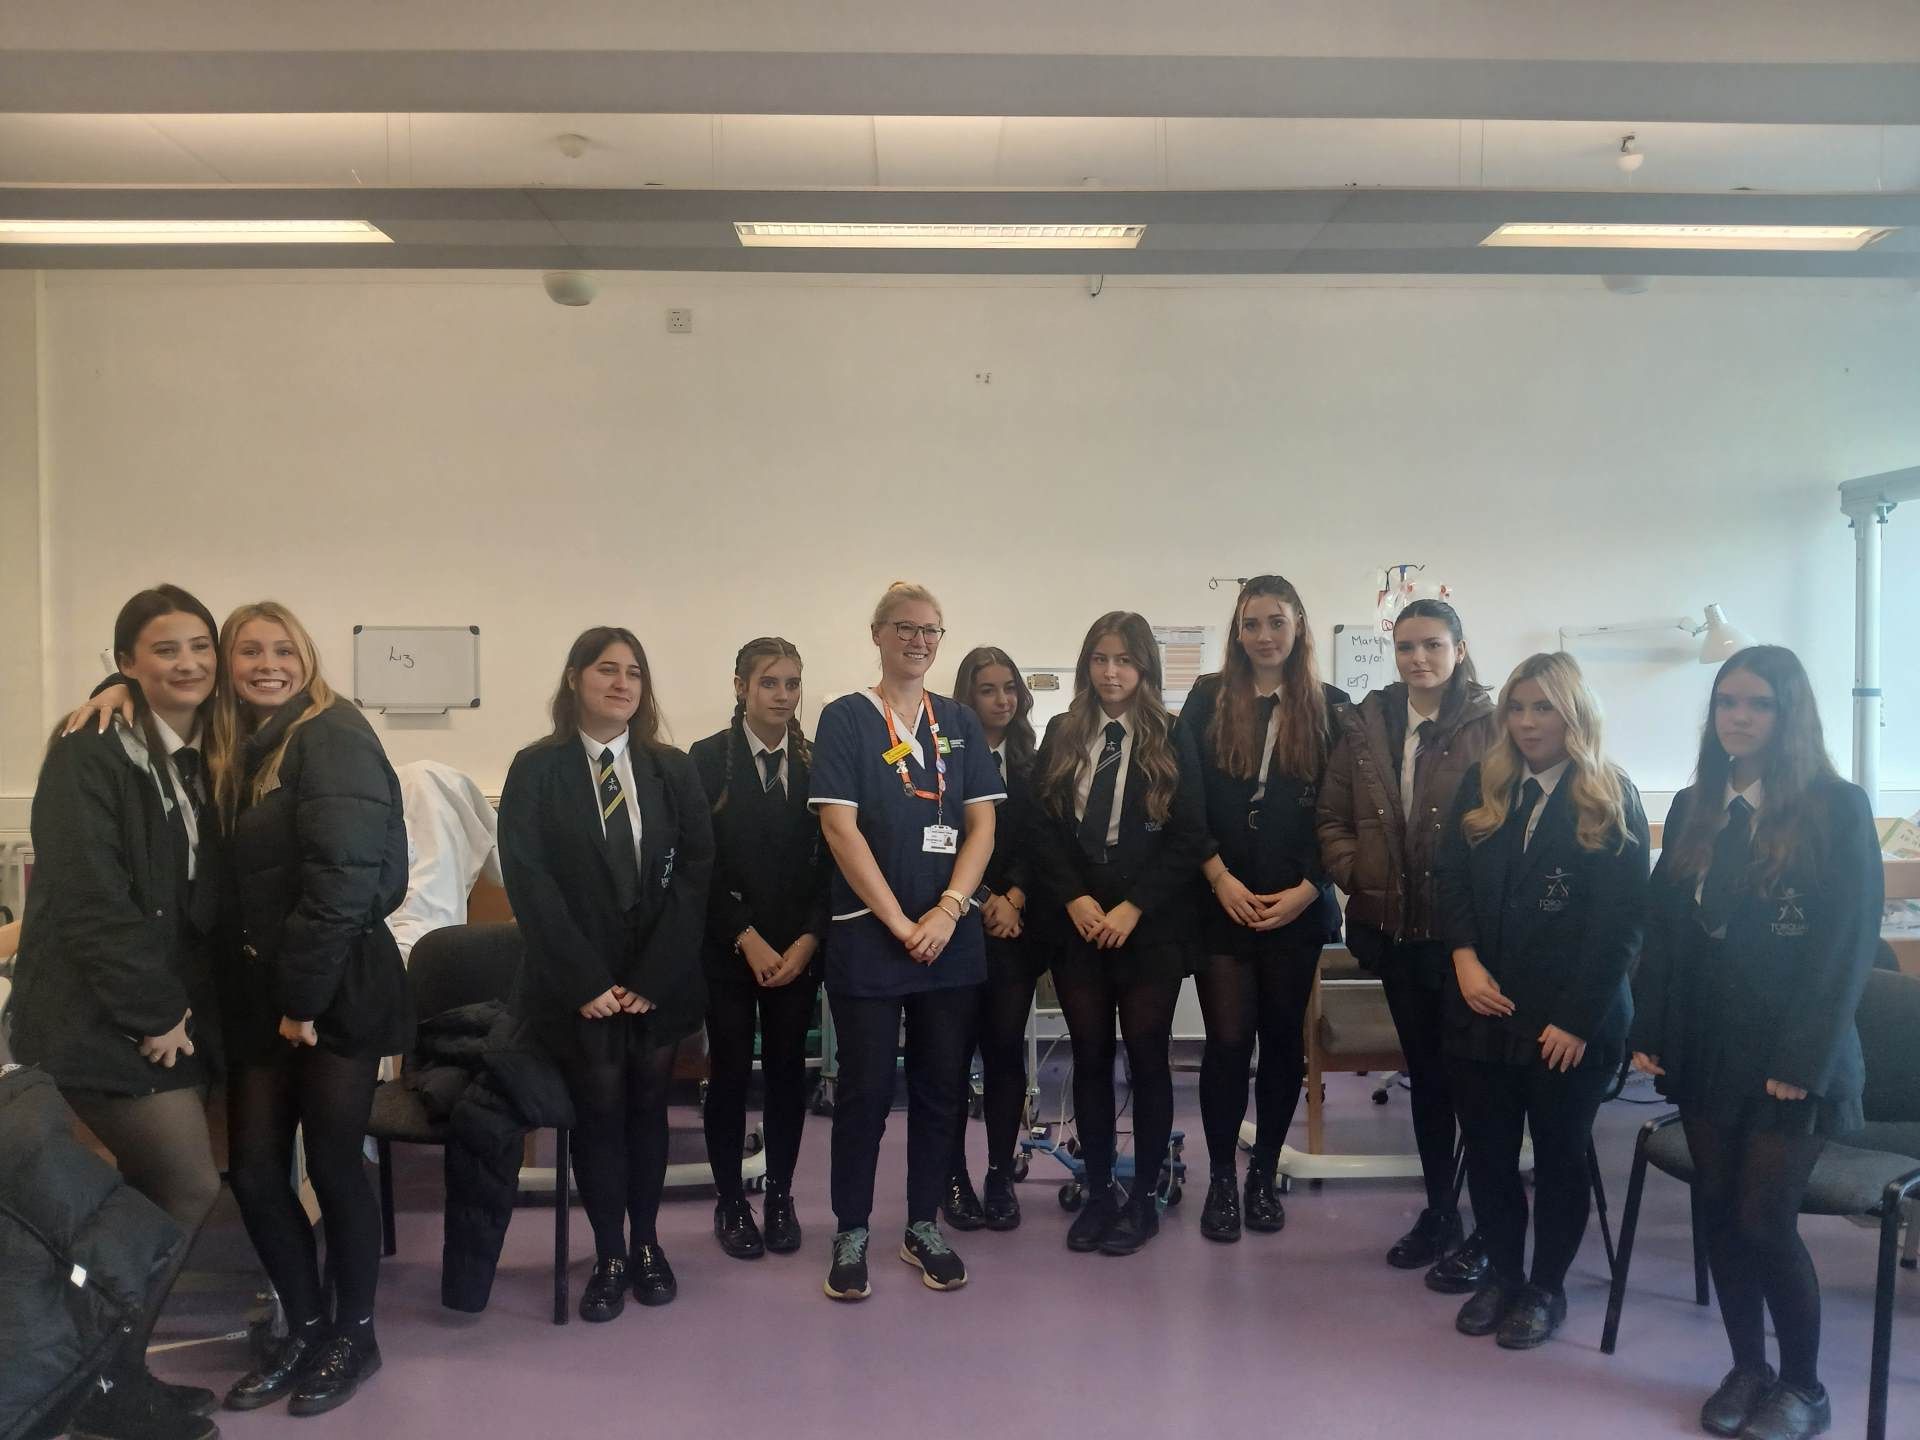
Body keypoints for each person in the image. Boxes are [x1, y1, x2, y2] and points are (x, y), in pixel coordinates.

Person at [1631, 646, 1880, 1440]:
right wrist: (1650, 1028)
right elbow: (1664, 933)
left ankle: (1804, 1386)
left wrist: (1801, 1062)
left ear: (1789, 714)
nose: (1738, 717)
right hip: (1706, 1049)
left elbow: (1845, 950)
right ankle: (1748, 1368)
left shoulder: (1836, 807)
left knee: (1764, 1221)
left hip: (1790, 1059)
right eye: (1727, 702)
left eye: (1759, 704)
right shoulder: (1698, 804)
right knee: (1717, 1212)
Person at [7, 585, 227, 1440]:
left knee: (147, 1194)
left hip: (158, 1010)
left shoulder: (192, 746)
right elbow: (92, 899)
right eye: (165, 649)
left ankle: (106, 1375)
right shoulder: (91, 749)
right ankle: (102, 1381)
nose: (189, 663)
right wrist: (154, 1013)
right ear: (127, 661)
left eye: (200, 645)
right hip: (101, 1014)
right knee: (186, 1183)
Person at [211, 602, 410, 1415]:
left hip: (334, 989)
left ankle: (354, 1336)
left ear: (307, 658)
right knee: (257, 1172)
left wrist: (301, 1000)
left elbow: (346, 881)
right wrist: (115, 690)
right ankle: (306, 1325)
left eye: (282, 649)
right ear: (226, 666)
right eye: (249, 650)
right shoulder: (237, 744)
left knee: (332, 1164)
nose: (268, 664)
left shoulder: (332, 733)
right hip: (264, 991)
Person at [499, 626, 714, 1322]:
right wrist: (584, 981)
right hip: (579, 983)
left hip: (657, 977)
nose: (622, 684)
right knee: (597, 1114)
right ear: (574, 679)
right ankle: (609, 1254)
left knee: (649, 1110)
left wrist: (653, 974)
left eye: (634, 673)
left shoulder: (671, 769)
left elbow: (697, 872)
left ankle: (647, 1244)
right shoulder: (536, 768)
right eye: (606, 670)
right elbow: (529, 881)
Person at [1436, 652, 1648, 1351]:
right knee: (1489, 1154)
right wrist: (1464, 958)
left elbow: (1622, 927)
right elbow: (1449, 880)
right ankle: (1502, 1274)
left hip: (1569, 1023)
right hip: (1483, 1009)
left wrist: (1577, 1020)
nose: (1527, 723)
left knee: (1560, 1157)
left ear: (1574, 713)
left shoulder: (1610, 794)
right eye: (1517, 708)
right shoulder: (1485, 782)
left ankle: (1545, 1288)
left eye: (1543, 708)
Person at [807, 581, 1002, 1301]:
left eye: (931, 630)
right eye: (905, 627)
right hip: (871, 938)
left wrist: (949, 910)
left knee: (941, 1087)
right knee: (863, 1091)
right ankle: (852, 1229)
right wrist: (897, 921)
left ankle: (923, 1224)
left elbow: (982, 825)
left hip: (949, 940)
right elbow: (839, 827)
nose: (918, 641)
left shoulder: (959, 721)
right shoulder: (846, 719)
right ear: (878, 634)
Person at [1317, 598, 1499, 1288]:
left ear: (1459, 649)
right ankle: (1440, 1212)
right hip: (1396, 935)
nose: (1418, 658)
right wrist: (1358, 872)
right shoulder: (1366, 724)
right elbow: (1332, 817)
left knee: (1475, 1086)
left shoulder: (1491, 726)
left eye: (1432, 645)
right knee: (1426, 1080)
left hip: (1466, 940)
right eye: (1406, 647)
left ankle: (1491, 1226)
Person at [1174, 575, 1346, 1241]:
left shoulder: (1332, 708)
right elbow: (1184, 800)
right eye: (1252, 623)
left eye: (1277, 622)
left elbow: (1341, 814)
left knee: (1280, 1045)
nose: (1264, 635)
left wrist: (1309, 888)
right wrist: (1217, 876)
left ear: (1298, 626)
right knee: (1225, 1043)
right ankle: (1222, 1177)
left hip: (1295, 907)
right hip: (1220, 901)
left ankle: (1263, 1174)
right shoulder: (1207, 698)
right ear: (1237, 631)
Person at [1029, 611, 1206, 1255]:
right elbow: (1039, 827)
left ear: (1145, 668)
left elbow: (1190, 835)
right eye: (1101, 659)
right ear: (1087, 664)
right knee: (1091, 1056)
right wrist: (1074, 898)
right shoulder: (1063, 731)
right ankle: (1099, 1192)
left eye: (1124, 660)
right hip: (1078, 920)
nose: (1111, 672)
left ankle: (1144, 1200)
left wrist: (1133, 907)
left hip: (1148, 924)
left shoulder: (1172, 734)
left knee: (1148, 1058)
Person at [690, 637, 829, 1260]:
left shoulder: (816, 762)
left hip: (796, 953)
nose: (782, 695)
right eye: (769, 682)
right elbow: (698, 862)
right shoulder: (704, 760)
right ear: (741, 686)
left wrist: (808, 940)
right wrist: (744, 937)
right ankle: (730, 1201)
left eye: (792, 683)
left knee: (786, 1077)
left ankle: (779, 1196)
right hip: (728, 948)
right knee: (727, 1076)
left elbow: (835, 862)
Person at [943, 645, 1041, 1233]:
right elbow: (937, 838)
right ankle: (952, 1177)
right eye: (988, 689)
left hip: (1016, 929)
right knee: (951, 1059)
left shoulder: (1035, 759)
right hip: (955, 923)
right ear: (967, 697)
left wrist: (1016, 897)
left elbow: (1045, 838)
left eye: (1010, 688)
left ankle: (1000, 1174)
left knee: (1004, 1052)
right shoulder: (941, 758)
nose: (1002, 700)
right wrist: (980, 900)